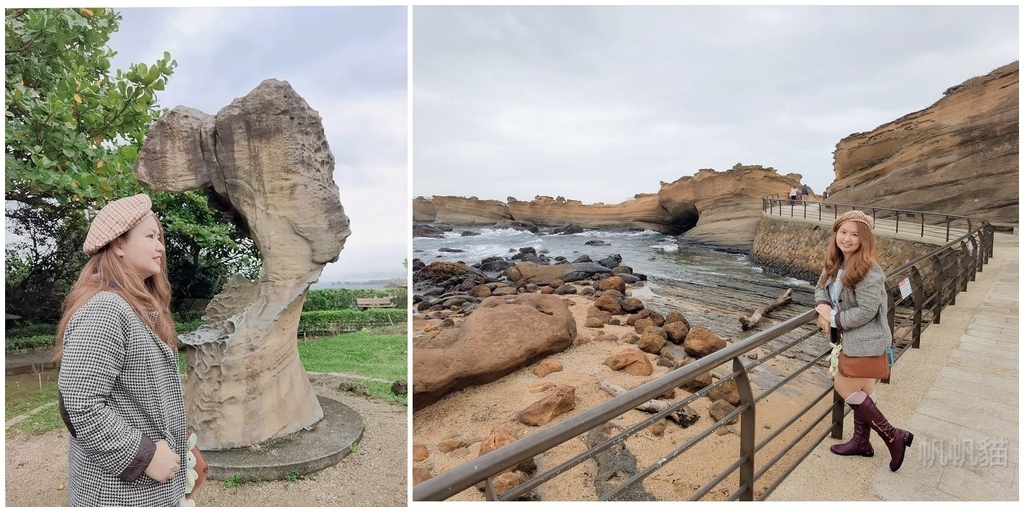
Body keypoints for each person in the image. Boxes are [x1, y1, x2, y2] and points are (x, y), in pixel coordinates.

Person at [56, 194, 195, 506]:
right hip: (121, 497)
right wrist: (143, 456)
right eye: (150, 236)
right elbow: (78, 403)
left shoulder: (137, 308)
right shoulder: (105, 308)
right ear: (118, 245)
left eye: (160, 238)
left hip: (150, 492)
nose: (160, 247)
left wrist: (182, 449)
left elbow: (144, 402)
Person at [814, 210, 914, 472]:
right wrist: (823, 307)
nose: (847, 239)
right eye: (843, 232)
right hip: (852, 339)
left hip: (867, 340)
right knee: (866, 391)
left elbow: (867, 310)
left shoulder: (868, 270)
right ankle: (861, 442)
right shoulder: (834, 263)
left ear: (864, 239)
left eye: (854, 234)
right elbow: (819, 288)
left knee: (843, 385)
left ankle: (893, 436)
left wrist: (833, 319)